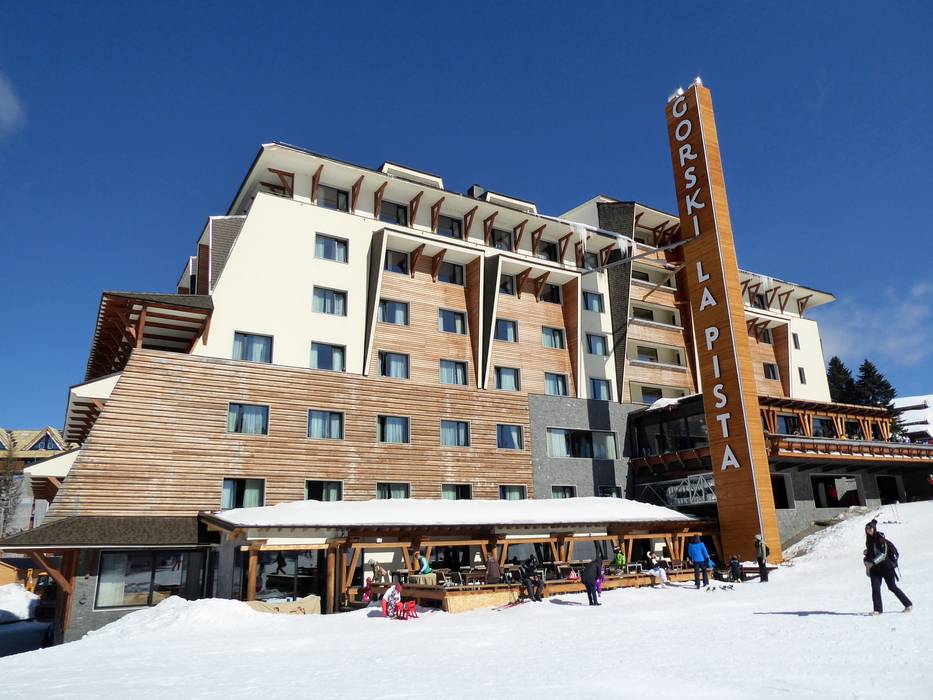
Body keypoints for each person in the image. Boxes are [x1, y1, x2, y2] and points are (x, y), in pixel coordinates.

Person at [863, 519, 912, 615]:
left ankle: (908, 604)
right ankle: (877, 610)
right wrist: (866, 556)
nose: (868, 530)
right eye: (867, 529)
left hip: (887, 568)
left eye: (870, 528)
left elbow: (883, 554)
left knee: (892, 587)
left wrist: (872, 562)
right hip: (875, 569)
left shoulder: (881, 538)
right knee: (875, 589)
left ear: (874, 528)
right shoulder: (868, 541)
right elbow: (871, 554)